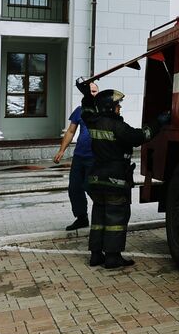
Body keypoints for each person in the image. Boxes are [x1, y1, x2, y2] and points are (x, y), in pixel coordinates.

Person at [82, 89, 170, 269]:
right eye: (116, 105)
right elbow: (141, 136)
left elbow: (87, 110)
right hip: (115, 180)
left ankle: (96, 255)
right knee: (115, 219)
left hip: (96, 179)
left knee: (99, 218)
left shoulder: (93, 122)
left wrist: (87, 96)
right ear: (108, 107)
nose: (119, 107)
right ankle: (113, 258)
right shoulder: (118, 127)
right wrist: (158, 123)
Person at [54, 79, 100, 231]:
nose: (91, 94)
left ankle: (104, 215)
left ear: (98, 93)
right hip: (80, 156)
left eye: (94, 91)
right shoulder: (79, 110)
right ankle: (81, 218)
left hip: (95, 157)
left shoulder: (103, 109)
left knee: (90, 187)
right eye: (89, 91)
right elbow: (71, 131)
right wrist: (62, 151)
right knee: (74, 188)